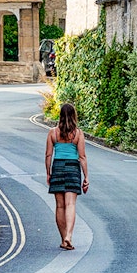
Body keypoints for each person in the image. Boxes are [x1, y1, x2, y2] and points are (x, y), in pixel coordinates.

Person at [45, 103, 89, 250]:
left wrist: (48, 172)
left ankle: (63, 239)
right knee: (70, 204)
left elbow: (48, 155)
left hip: (57, 167)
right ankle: (69, 236)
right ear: (73, 116)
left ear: (60, 116)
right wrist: (86, 177)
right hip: (72, 168)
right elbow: (82, 157)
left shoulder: (53, 133)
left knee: (59, 206)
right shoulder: (78, 134)